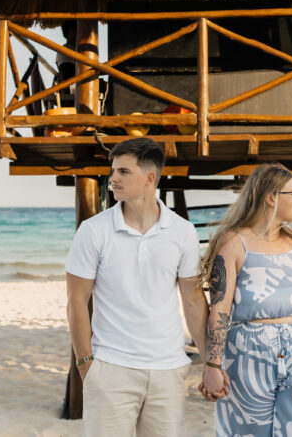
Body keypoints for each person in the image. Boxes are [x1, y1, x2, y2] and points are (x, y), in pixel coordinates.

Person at [64, 137, 227, 436]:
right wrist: (86, 363)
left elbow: (192, 300)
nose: (113, 179)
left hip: (168, 370)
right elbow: (77, 300)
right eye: (113, 171)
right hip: (110, 368)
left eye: (123, 172)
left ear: (150, 178)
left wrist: (210, 363)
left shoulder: (182, 231)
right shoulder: (93, 231)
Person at [198, 163, 292, 436]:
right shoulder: (233, 242)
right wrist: (212, 366)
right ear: (271, 197)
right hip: (246, 356)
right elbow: (219, 311)